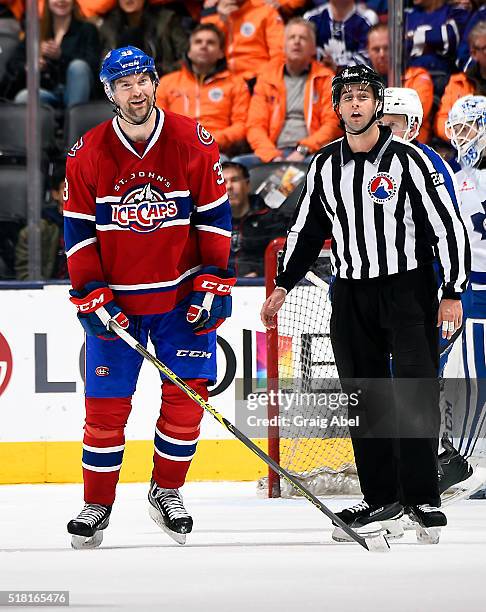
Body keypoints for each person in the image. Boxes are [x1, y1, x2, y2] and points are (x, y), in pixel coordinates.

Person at [260, 65, 470, 544]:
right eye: (347, 98)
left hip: (407, 289)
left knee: (413, 395)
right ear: (336, 107)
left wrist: (452, 291)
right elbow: (307, 229)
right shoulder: (323, 164)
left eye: (363, 97)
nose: (355, 105)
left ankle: (422, 498)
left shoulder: (410, 160)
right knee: (366, 397)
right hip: (350, 293)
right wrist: (283, 285)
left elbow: (447, 226)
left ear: (377, 104)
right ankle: (381, 498)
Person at [64, 46, 233, 549]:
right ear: (109, 92)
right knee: (106, 410)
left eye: (142, 80)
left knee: (187, 404)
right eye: (124, 83)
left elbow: (215, 218)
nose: (135, 91)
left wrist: (215, 283)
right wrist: (91, 296)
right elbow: (77, 233)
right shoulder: (88, 152)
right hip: (117, 306)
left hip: (181, 304)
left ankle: (166, 491)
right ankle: (96, 504)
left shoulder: (192, 141)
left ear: (155, 82)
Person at [378, 87, 476, 503]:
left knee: (418, 377)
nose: (384, 129)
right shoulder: (364, 161)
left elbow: (447, 233)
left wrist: (445, 291)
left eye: (393, 123)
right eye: (383, 122)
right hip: (385, 290)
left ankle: (432, 458)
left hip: (424, 291)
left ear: (414, 124)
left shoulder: (429, 164)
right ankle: (410, 458)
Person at [441, 94, 486, 500]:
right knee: (471, 377)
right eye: (455, 129)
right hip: (473, 287)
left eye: (467, 128)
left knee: (474, 377)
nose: (459, 137)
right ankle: (464, 460)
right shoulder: (457, 179)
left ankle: (465, 461)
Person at [238, 18, 341, 167]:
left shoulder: (326, 78)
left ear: (313, 48)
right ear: (284, 46)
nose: (297, 42)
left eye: (303, 38)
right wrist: (271, 155)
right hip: (274, 152)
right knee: (237, 164)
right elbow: (255, 125)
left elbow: (332, 123)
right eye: (292, 37)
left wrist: (304, 149)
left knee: (320, 165)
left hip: (311, 153)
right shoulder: (267, 79)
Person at [156, 23, 250, 158]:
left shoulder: (236, 84)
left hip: (216, 151)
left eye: (210, 43)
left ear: (220, 53)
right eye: (198, 42)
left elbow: (241, 126)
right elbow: (156, 122)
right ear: (189, 50)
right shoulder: (167, 82)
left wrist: (209, 140)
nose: (204, 45)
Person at [1, 0, 100, 107]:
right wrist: (30, 66)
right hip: (49, 91)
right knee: (23, 97)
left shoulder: (87, 29)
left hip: (77, 91)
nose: (61, 1)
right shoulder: (36, 31)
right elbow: (14, 63)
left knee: (78, 66)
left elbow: (92, 65)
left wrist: (60, 56)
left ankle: (75, 119)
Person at [366, 23, 434, 143]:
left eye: (387, 48)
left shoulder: (418, 77)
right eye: (376, 49)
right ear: (368, 51)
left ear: (398, 48)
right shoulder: (363, 82)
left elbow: (417, 113)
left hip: (412, 148)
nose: (382, 54)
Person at [223, 161, 286, 276]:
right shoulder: (207, 221)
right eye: (223, 182)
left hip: (261, 284)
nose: (229, 187)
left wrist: (259, 272)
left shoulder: (271, 219)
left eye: (235, 180)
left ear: (247, 185)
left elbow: (284, 257)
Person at [96, 0, 187, 77]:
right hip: (122, 85)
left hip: (162, 80)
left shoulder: (166, 20)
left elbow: (186, 56)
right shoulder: (109, 26)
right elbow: (105, 67)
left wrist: (156, 69)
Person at [200, 0, 284, 82]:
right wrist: (223, 22)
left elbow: (279, 53)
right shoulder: (211, 18)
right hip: (223, 84)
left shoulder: (265, 12)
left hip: (257, 80)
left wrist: (266, 82)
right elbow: (201, 55)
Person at [405, 0, 470, 100]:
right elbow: (401, 44)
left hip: (443, 77)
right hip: (411, 78)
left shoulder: (453, 11)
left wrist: (414, 38)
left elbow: (450, 38)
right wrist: (434, 41)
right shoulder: (407, 15)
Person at [15, 160, 68, 281]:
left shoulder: (97, 227)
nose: (74, 193)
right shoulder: (35, 232)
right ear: (55, 194)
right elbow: (26, 276)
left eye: (79, 188)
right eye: (66, 189)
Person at [435, 21, 486, 143]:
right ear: (474, 53)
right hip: (465, 145)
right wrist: (461, 137)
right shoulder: (458, 82)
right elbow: (442, 121)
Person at [304, 0, 378, 71]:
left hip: (357, 81)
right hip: (319, 79)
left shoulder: (368, 19)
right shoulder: (311, 19)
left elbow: (368, 59)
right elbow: (306, 57)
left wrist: (338, 69)